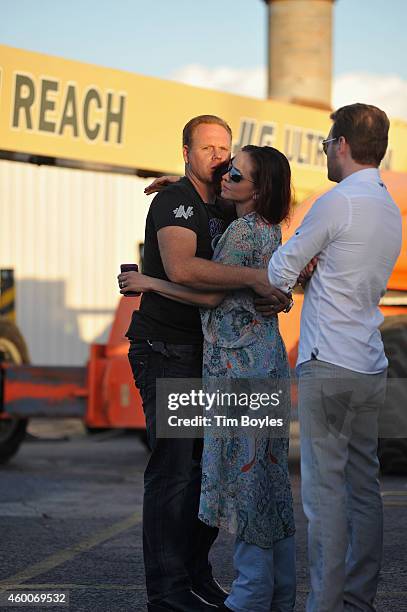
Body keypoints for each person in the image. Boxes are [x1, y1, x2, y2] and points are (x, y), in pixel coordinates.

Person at [119, 115, 291, 612]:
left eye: (225, 151)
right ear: (186, 152)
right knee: (175, 473)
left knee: (203, 473)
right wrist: (256, 280)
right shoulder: (175, 202)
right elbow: (183, 268)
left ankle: (196, 576)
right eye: (208, 149)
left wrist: (269, 286)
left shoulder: (217, 205)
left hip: (202, 354)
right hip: (167, 350)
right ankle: (168, 592)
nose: (219, 158)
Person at [250, 103, 402, 612]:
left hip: (328, 362)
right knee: (364, 489)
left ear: (340, 144)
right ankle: (358, 602)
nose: (325, 153)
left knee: (324, 497)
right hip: (368, 363)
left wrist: (300, 271)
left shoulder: (336, 202)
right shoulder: (387, 207)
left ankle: (324, 605)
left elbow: (277, 269)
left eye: (325, 144)